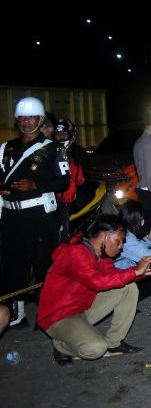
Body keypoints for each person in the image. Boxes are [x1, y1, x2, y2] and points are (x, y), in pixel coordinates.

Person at [37, 214, 151, 365]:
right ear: (104, 236)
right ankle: (61, 346)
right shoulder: (76, 253)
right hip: (59, 317)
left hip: (83, 308)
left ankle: (114, 342)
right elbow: (97, 282)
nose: (121, 246)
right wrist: (135, 272)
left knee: (128, 287)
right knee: (96, 349)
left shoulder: (101, 256)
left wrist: (141, 272)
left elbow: (115, 276)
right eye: (118, 241)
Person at [0, 97, 70, 328]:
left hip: (38, 215)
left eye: (32, 118)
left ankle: (48, 313)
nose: (26, 122)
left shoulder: (53, 148)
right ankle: (16, 313)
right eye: (22, 117)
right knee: (12, 266)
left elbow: (63, 181)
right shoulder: (6, 148)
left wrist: (36, 186)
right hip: (10, 215)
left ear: (40, 121)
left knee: (44, 266)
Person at [54, 119, 86, 242]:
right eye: (58, 134)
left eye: (64, 134)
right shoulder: (50, 151)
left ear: (71, 135)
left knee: (62, 234)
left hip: (72, 200)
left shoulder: (78, 153)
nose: (61, 137)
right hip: (53, 200)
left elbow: (82, 179)